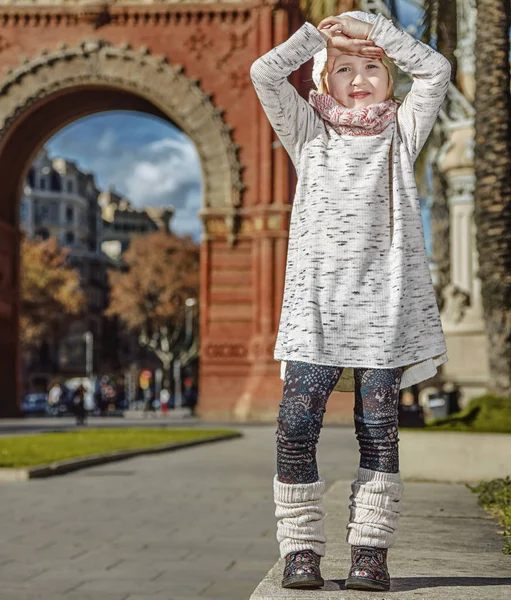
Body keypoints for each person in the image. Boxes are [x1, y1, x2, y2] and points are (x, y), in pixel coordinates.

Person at [250, 9, 451, 592]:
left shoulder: (402, 130)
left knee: (380, 427)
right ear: (323, 81)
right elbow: (266, 74)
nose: (359, 77)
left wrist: (375, 29)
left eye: (372, 68)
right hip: (316, 310)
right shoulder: (308, 132)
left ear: (390, 81)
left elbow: (435, 71)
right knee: (294, 424)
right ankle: (301, 550)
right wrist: (321, 37)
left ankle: (370, 552)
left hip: (385, 309)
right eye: (344, 69)